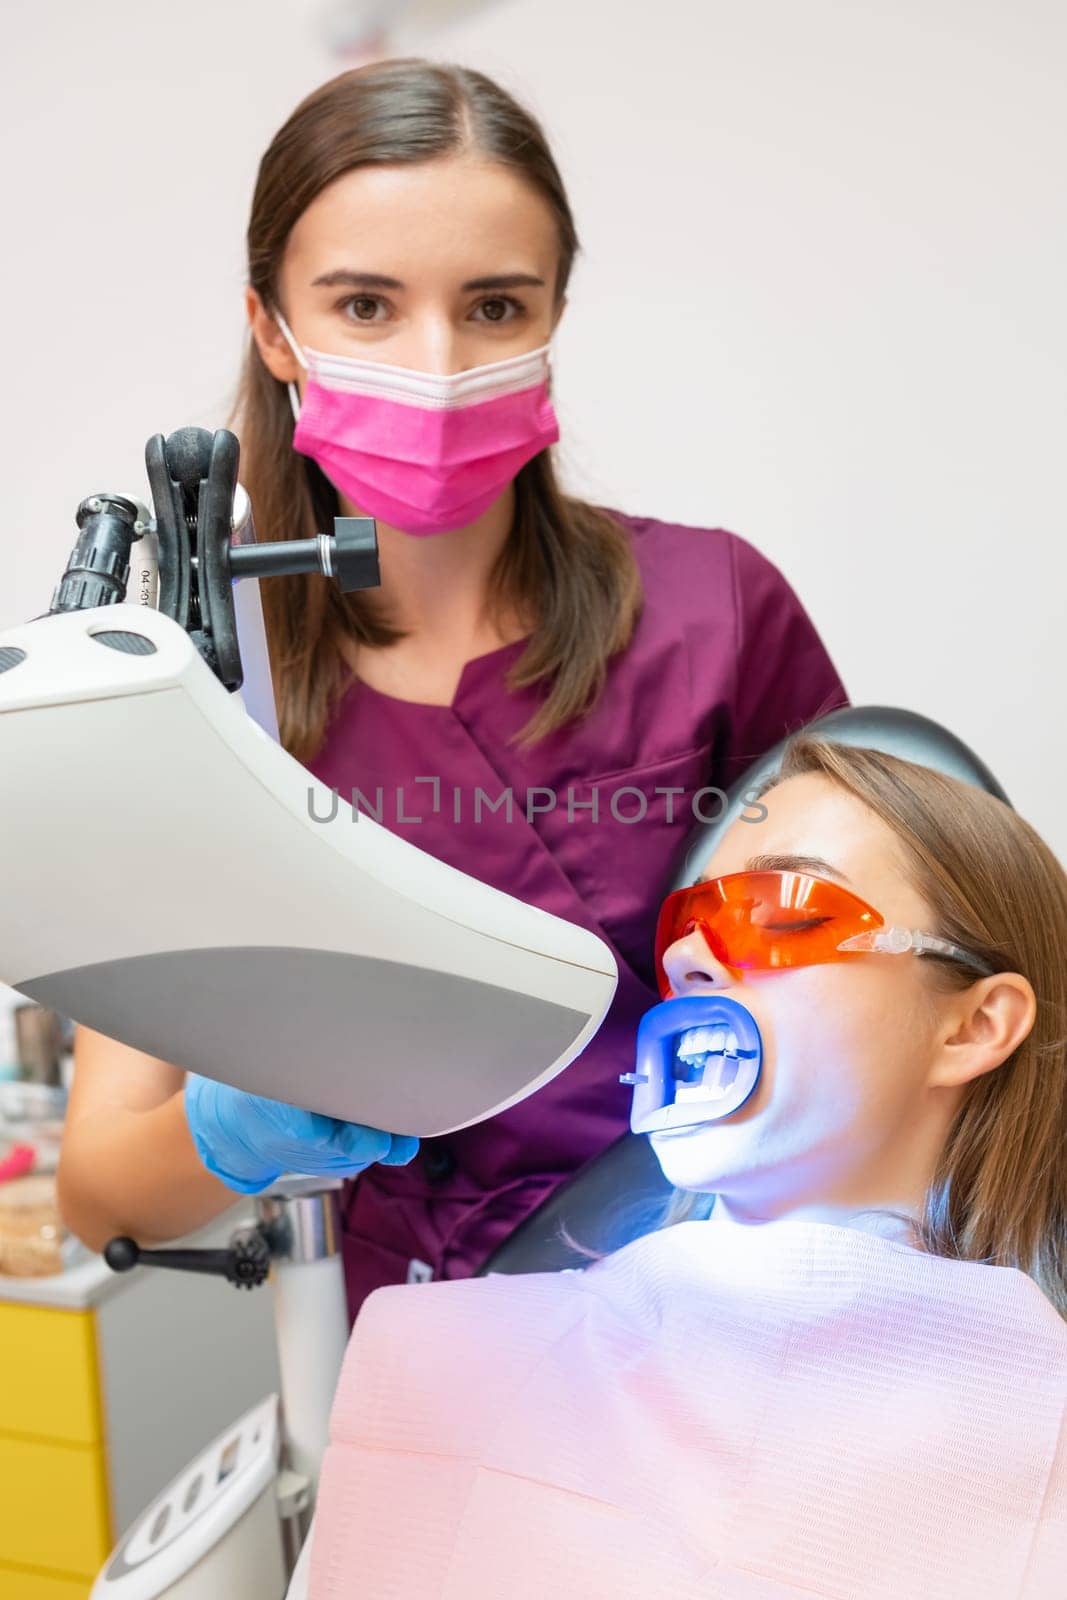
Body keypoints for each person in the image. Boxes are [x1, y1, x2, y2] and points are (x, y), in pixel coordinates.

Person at [57, 58, 848, 1322]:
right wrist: (234, 1130)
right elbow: (101, 1194)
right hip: (426, 1342)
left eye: (490, 307)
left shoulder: (718, 611)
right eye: (365, 305)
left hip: (738, 1294)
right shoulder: (202, 687)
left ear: (551, 317)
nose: (435, 366)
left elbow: (881, 971)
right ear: (272, 327)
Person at [303, 736, 1067, 1600]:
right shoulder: (441, 1365)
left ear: (972, 1027)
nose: (685, 960)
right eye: (685, 925)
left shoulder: (1044, 1434)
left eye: (778, 910)